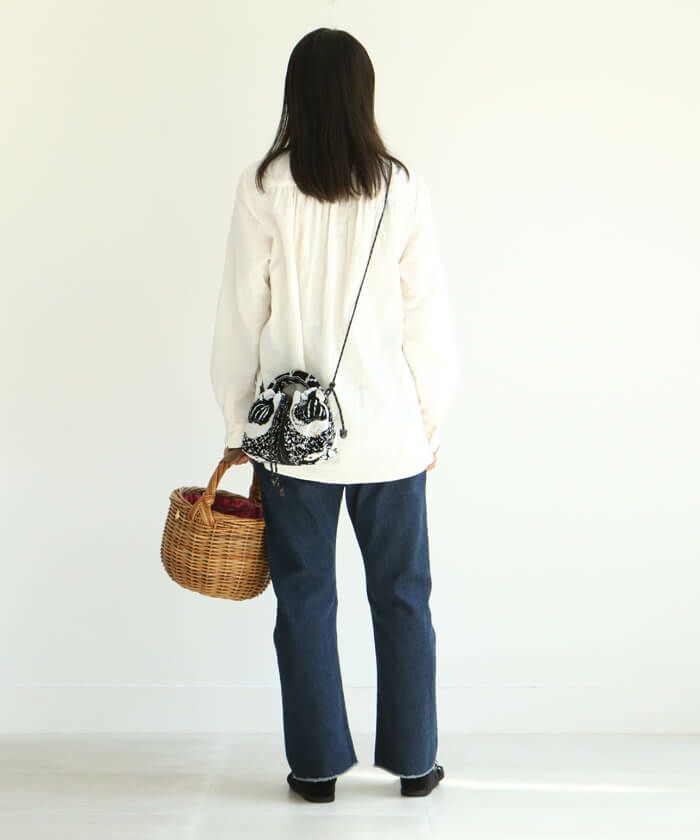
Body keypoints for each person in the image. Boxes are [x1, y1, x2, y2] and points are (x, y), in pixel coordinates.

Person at [210, 27, 458, 803]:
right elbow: (427, 318)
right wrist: (430, 421)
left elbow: (241, 313)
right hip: (388, 432)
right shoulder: (400, 186)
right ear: (362, 96)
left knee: (304, 598)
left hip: (291, 439)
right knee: (403, 595)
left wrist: (236, 423)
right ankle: (414, 763)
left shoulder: (264, 185)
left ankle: (316, 769)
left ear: (296, 95)